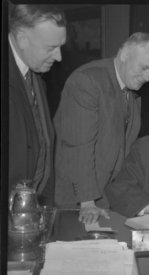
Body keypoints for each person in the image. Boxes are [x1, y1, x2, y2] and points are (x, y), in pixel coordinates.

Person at [54, 32, 149, 224]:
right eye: (144, 68)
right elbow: (77, 146)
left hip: (106, 197)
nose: (148, 77)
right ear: (123, 55)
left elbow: (124, 148)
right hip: (79, 200)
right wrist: (87, 202)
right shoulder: (87, 81)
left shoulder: (131, 90)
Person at [8, 4, 67, 205]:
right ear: (23, 38)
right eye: (51, 48)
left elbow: (43, 146)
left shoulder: (37, 76)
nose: (59, 57)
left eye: (60, 47)